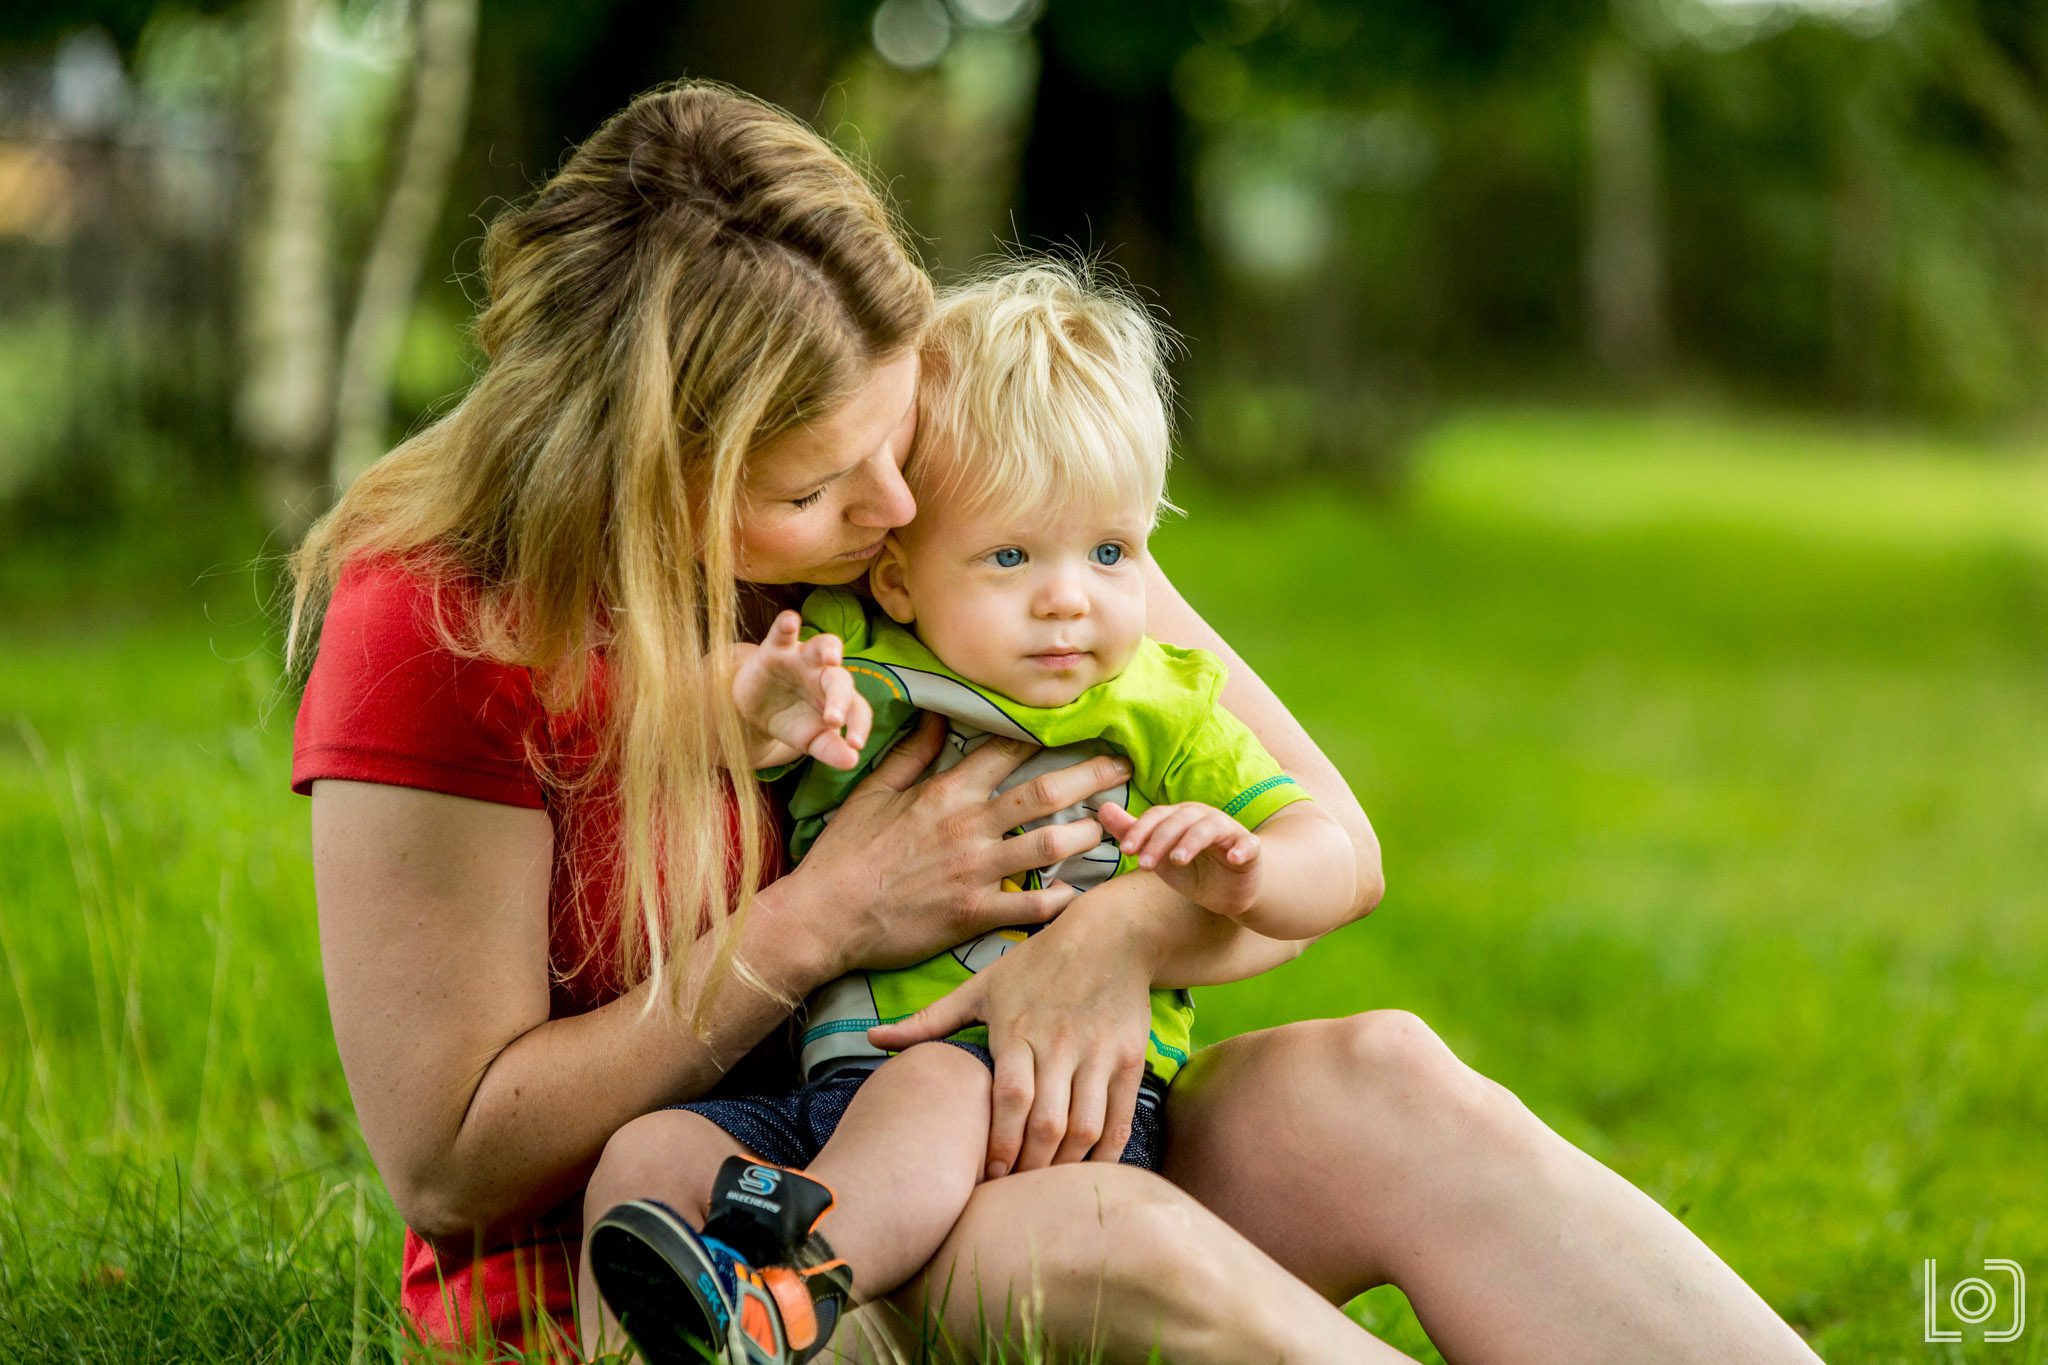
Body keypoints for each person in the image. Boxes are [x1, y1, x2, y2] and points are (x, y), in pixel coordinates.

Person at [290, 80, 1824, 1364]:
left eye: (900, 439)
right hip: (708, 1248)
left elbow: (1320, 836)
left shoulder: (974, 546)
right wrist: (821, 922)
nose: (897, 511)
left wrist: (1117, 940)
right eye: (822, 488)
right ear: (650, 470)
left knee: (1387, 1081)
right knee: (1101, 1232)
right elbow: (448, 1165)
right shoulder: (444, 627)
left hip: (1025, 1131)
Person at [581, 263, 1364, 1364]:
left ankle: (786, 1294)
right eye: (1010, 556)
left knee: (936, 1085)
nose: (1067, 596)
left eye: (1110, 552)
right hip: (824, 1094)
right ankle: (696, 1301)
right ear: (895, 579)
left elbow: (1340, 858)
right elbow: (691, 704)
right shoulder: (866, 659)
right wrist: (759, 697)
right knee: (650, 1152)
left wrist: (1244, 876)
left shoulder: (1153, 704)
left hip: (1030, 1098)